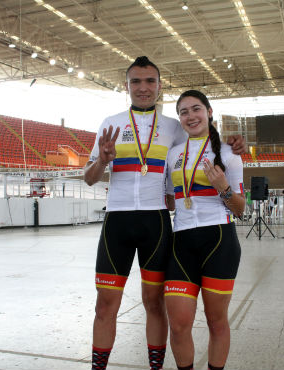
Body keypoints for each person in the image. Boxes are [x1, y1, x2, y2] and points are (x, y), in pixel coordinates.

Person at [84, 57, 247, 370]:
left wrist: (234, 142)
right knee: (105, 305)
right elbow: (89, 177)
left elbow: (205, 140)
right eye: (136, 82)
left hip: (157, 223)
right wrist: (103, 161)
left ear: (159, 87)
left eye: (150, 82)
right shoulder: (111, 123)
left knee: (154, 304)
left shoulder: (174, 128)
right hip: (117, 221)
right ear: (127, 85)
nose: (143, 88)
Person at [164, 90, 245, 370]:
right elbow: (168, 198)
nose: (190, 116)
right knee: (178, 324)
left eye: (196, 109)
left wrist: (223, 188)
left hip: (219, 241)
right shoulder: (173, 154)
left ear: (209, 112)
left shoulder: (229, 155)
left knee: (216, 321)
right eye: (183, 112)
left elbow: (240, 209)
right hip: (182, 242)